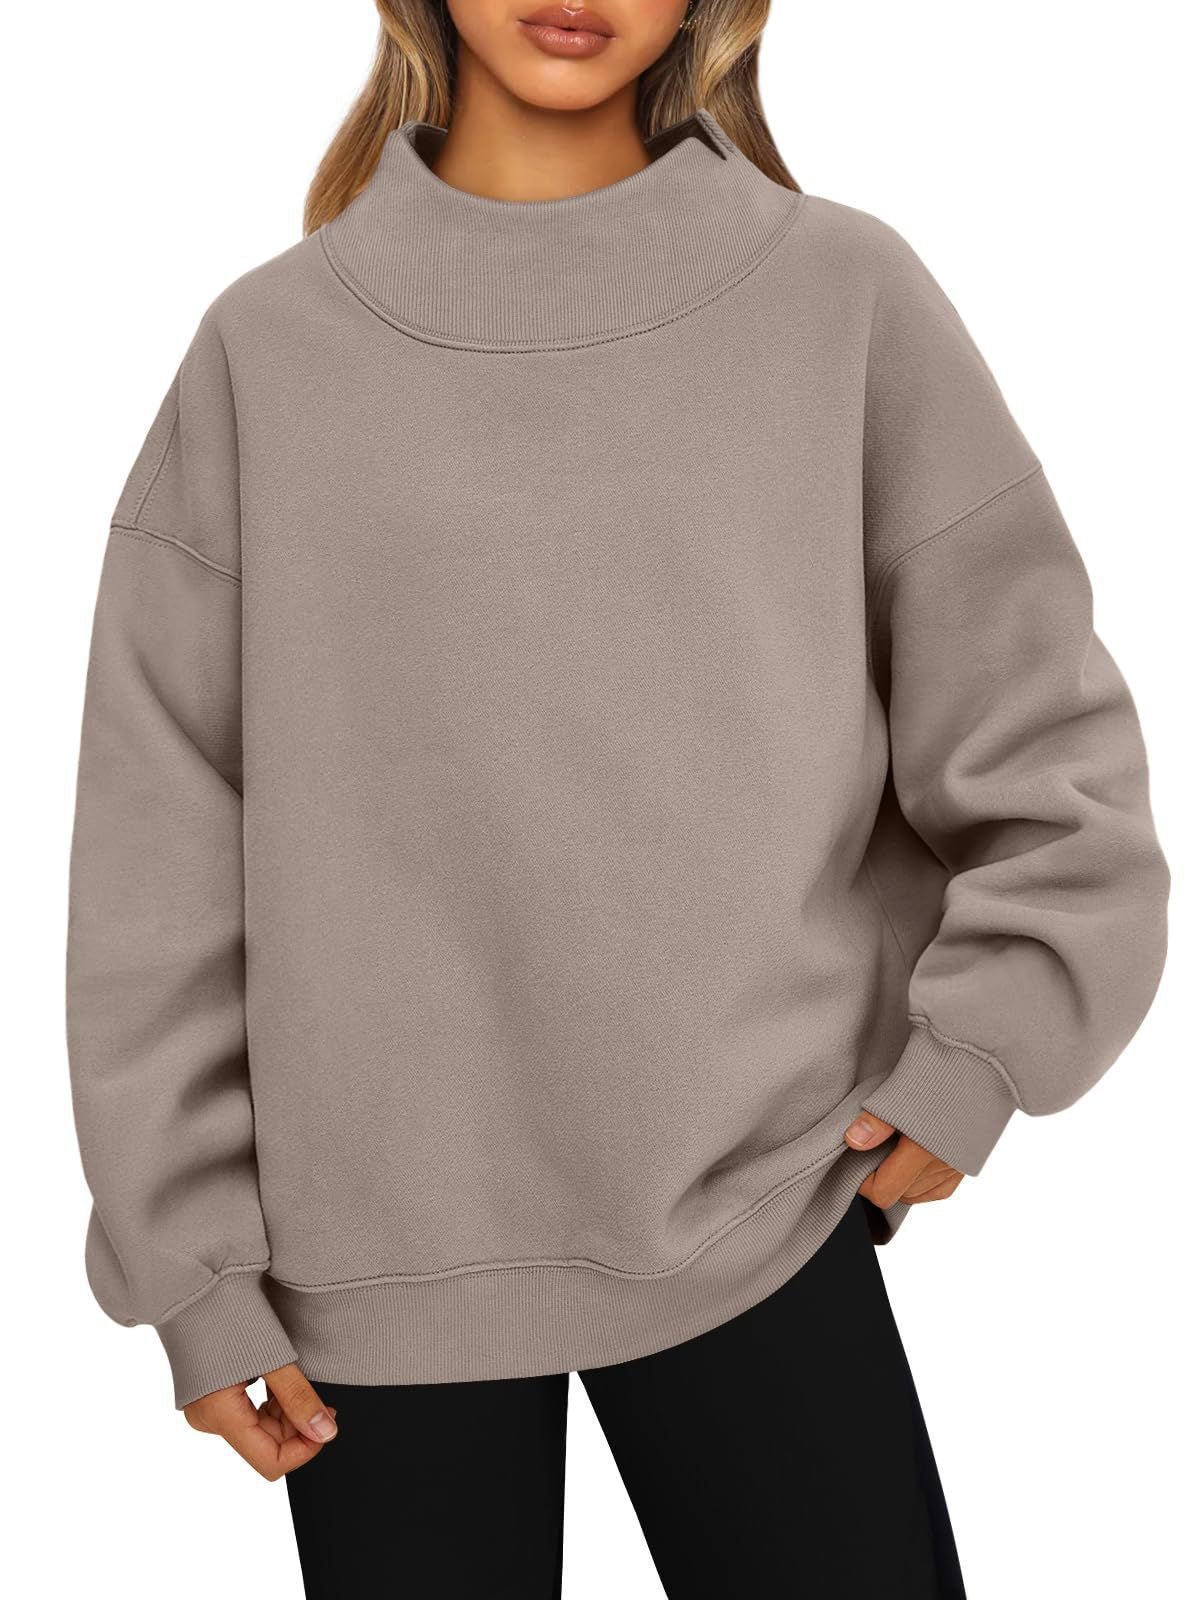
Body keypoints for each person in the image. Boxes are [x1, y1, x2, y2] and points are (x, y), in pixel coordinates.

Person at [65, 1, 1169, 1594]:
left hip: (766, 1198)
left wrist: (981, 1056)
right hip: (365, 1270)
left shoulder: (841, 297)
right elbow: (161, 854)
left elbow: (1039, 731)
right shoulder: (269, 352)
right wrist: (195, 1267)